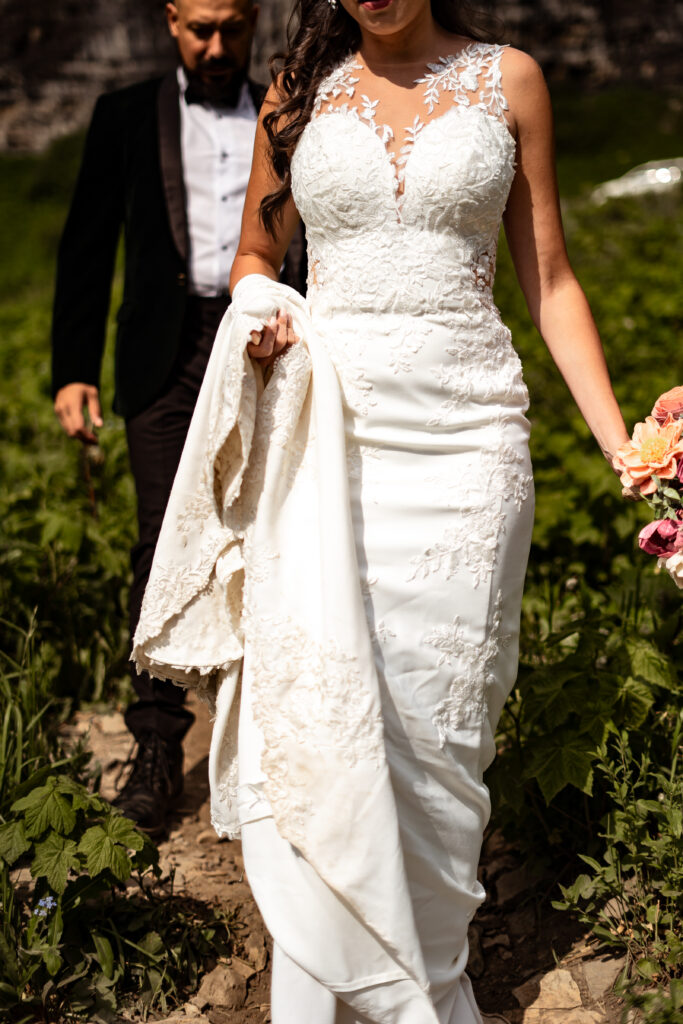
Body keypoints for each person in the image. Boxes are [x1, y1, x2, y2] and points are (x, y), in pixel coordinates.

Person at [133, 0, 630, 1019]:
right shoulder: (295, 91)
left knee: (438, 732)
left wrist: (627, 450)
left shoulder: (510, 80)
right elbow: (253, 261)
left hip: (467, 448)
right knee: (321, 714)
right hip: (328, 443)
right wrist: (263, 314)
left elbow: (549, 280)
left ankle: (422, 979)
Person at [50, 0, 306, 838]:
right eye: (202, 28)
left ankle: (278, 744)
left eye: (233, 27)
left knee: (276, 534)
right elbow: (88, 247)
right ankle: (159, 745)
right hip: (162, 352)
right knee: (163, 539)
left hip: (265, 342)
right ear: (170, 21)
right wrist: (73, 372)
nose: (219, 45)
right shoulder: (123, 115)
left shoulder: (291, 106)